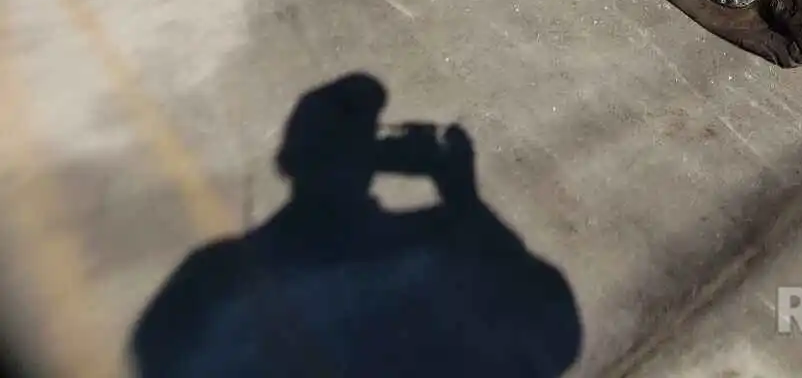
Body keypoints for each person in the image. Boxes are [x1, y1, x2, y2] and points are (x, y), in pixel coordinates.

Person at [132, 73, 582, 378]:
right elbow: (556, 326)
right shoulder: (431, 248)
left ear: (288, 161)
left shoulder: (212, 275)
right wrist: (460, 192)